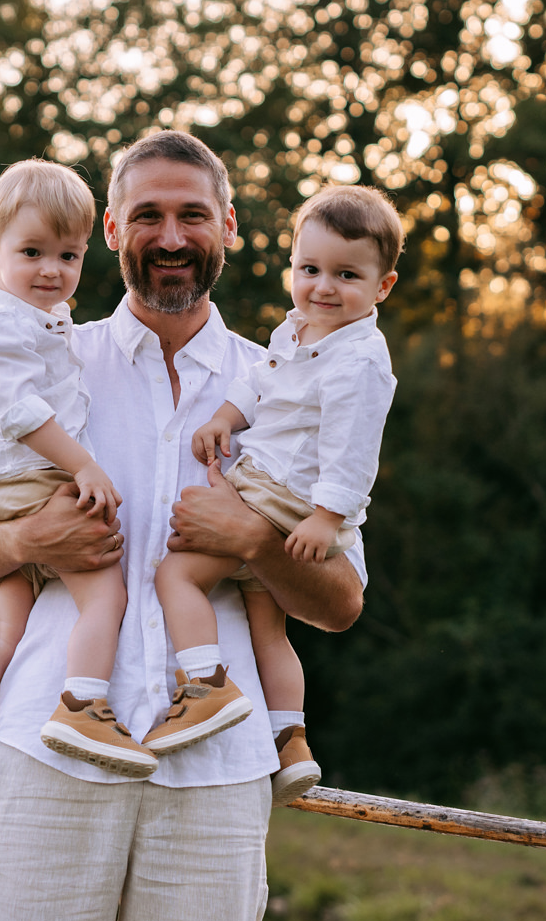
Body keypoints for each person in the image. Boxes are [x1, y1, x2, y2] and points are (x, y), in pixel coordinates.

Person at [0, 130, 365, 921]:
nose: (171, 237)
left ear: (228, 226)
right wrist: (25, 534)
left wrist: (255, 544)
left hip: (218, 777)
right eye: (147, 216)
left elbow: (341, 602)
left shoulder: (291, 382)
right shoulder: (43, 360)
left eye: (193, 215)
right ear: (113, 232)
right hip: (47, 754)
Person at [0, 159, 153, 833]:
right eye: (32, 253)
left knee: (6, 627)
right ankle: (84, 706)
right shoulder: (6, 323)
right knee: (105, 592)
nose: (52, 271)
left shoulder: (25, 317)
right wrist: (86, 467)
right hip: (24, 482)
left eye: (68, 256)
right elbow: (19, 412)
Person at [147, 185, 400, 809]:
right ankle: (289, 740)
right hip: (276, 486)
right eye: (309, 269)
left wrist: (326, 517)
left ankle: (204, 687)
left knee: (176, 574)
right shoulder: (296, 333)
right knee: (268, 625)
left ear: (383, 287)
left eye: (347, 275)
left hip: (282, 495)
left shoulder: (360, 360)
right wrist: (226, 419)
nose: (323, 287)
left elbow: (353, 448)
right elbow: (257, 383)